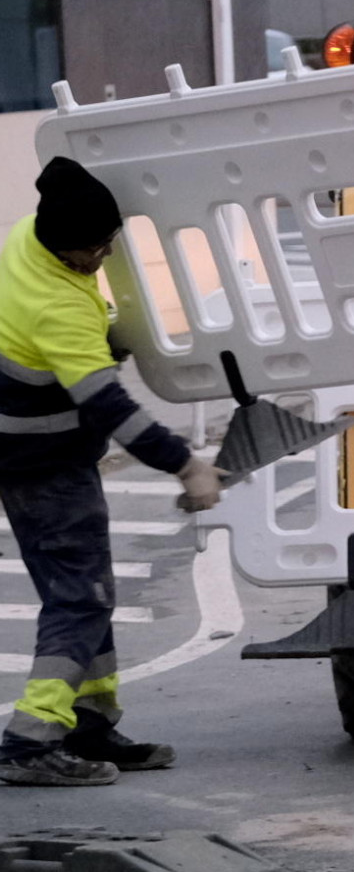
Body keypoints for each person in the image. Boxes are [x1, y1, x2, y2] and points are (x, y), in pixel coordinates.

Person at [0, 157, 224, 787]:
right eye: (92, 252)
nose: (100, 259)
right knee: (80, 598)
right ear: (62, 246)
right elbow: (111, 408)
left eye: (106, 246)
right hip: (40, 462)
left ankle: (89, 723)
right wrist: (188, 467)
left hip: (35, 451)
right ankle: (29, 739)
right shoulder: (56, 308)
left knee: (87, 594)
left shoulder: (29, 237)